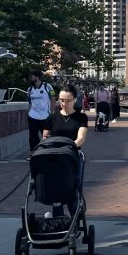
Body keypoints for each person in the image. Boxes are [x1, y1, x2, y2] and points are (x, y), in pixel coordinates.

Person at [42, 84, 88, 217]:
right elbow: (45, 137)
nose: (64, 103)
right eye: (61, 100)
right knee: (56, 187)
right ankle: (58, 220)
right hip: (54, 157)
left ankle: (75, 217)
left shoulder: (81, 117)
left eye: (68, 101)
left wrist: (68, 148)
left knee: (72, 186)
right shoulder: (52, 117)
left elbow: (80, 138)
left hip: (72, 156)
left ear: (74, 100)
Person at [26, 71, 55, 152]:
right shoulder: (30, 89)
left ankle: (49, 152)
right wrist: (28, 113)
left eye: (32, 77)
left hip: (45, 116)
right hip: (33, 116)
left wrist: (52, 112)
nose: (30, 79)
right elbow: (29, 102)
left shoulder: (47, 86)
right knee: (33, 136)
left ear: (37, 77)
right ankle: (34, 152)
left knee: (46, 135)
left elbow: (53, 98)